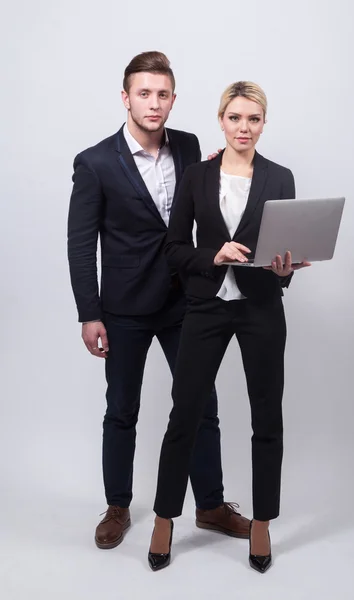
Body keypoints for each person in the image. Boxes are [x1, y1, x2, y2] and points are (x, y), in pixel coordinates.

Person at [67, 52, 250, 550]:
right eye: (143, 93)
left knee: (200, 403)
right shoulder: (97, 161)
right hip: (123, 308)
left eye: (162, 93)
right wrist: (90, 313)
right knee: (121, 409)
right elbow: (81, 245)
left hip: (185, 300)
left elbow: (206, 205)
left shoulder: (189, 147)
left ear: (173, 99)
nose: (154, 103)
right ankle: (118, 506)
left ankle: (210, 505)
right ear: (125, 97)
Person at [148, 81, 311, 572]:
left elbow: (283, 248)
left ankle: (262, 523)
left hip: (261, 306)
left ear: (264, 124)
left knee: (268, 415)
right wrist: (212, 255)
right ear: (221, 120)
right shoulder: (197, 176)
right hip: (207, 305)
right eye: (235, 118)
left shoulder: (281, 178)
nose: (244, 128)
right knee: (186, 414)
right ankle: (164, 517)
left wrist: (284, 270)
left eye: (253, 119)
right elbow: (174, 247)